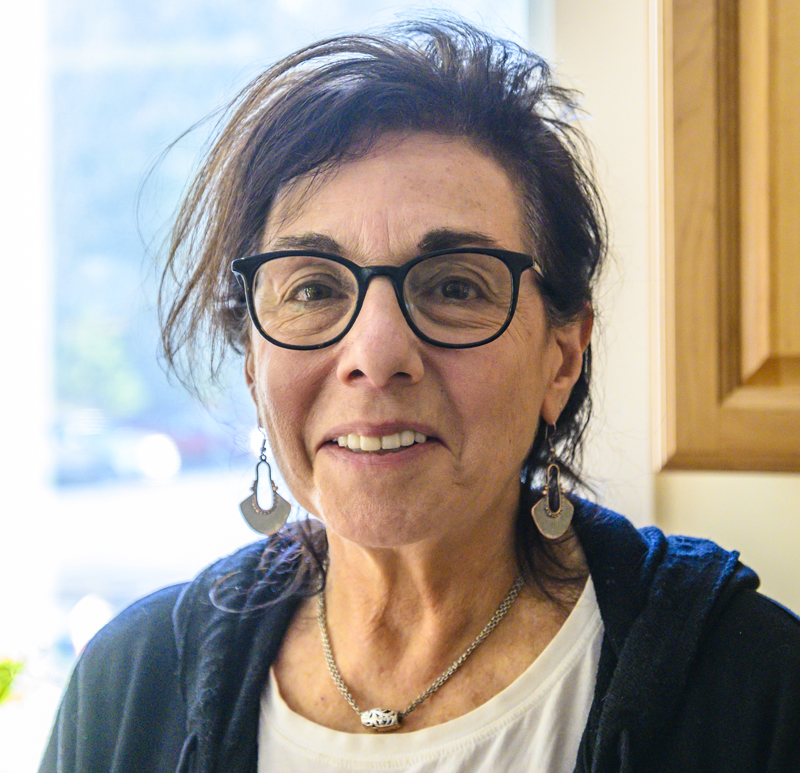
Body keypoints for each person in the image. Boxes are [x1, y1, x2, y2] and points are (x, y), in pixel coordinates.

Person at [40, 19, 800, 773]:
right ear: (251, 357)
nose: (375, 355)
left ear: (562, 357)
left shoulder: (756, 690)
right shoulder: (129, 688)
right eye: (312, 287)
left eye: (455, 286)